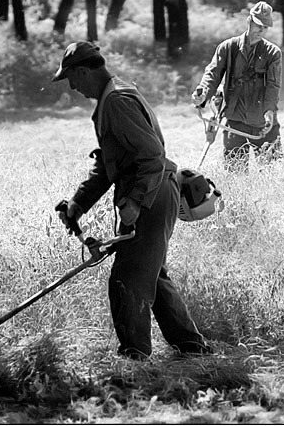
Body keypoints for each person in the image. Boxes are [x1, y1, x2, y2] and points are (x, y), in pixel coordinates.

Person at [51, 41, 210, 360]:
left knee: (127, 279)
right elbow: (108, 164)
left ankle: (134, 358)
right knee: (150, 273)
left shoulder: (117, 101)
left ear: (83, 71)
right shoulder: (114, 94)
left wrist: (135, 201)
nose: (72, 87)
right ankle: (191, 347)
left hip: (151, 192)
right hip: (152, 190)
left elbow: (151, 156)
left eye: (71, 78)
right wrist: (78, 203)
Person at [191, 1, 283, 170]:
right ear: (249, 21)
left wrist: (269, 112)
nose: (261, 31)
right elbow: (212, 74)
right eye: (258, 26)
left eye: (265, 28)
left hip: (263, 122)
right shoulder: (228, 47)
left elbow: (273, 85)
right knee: (235, 173)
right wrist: (203, 94)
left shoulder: (272, 53)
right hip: (234, 121)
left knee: (272, 173)